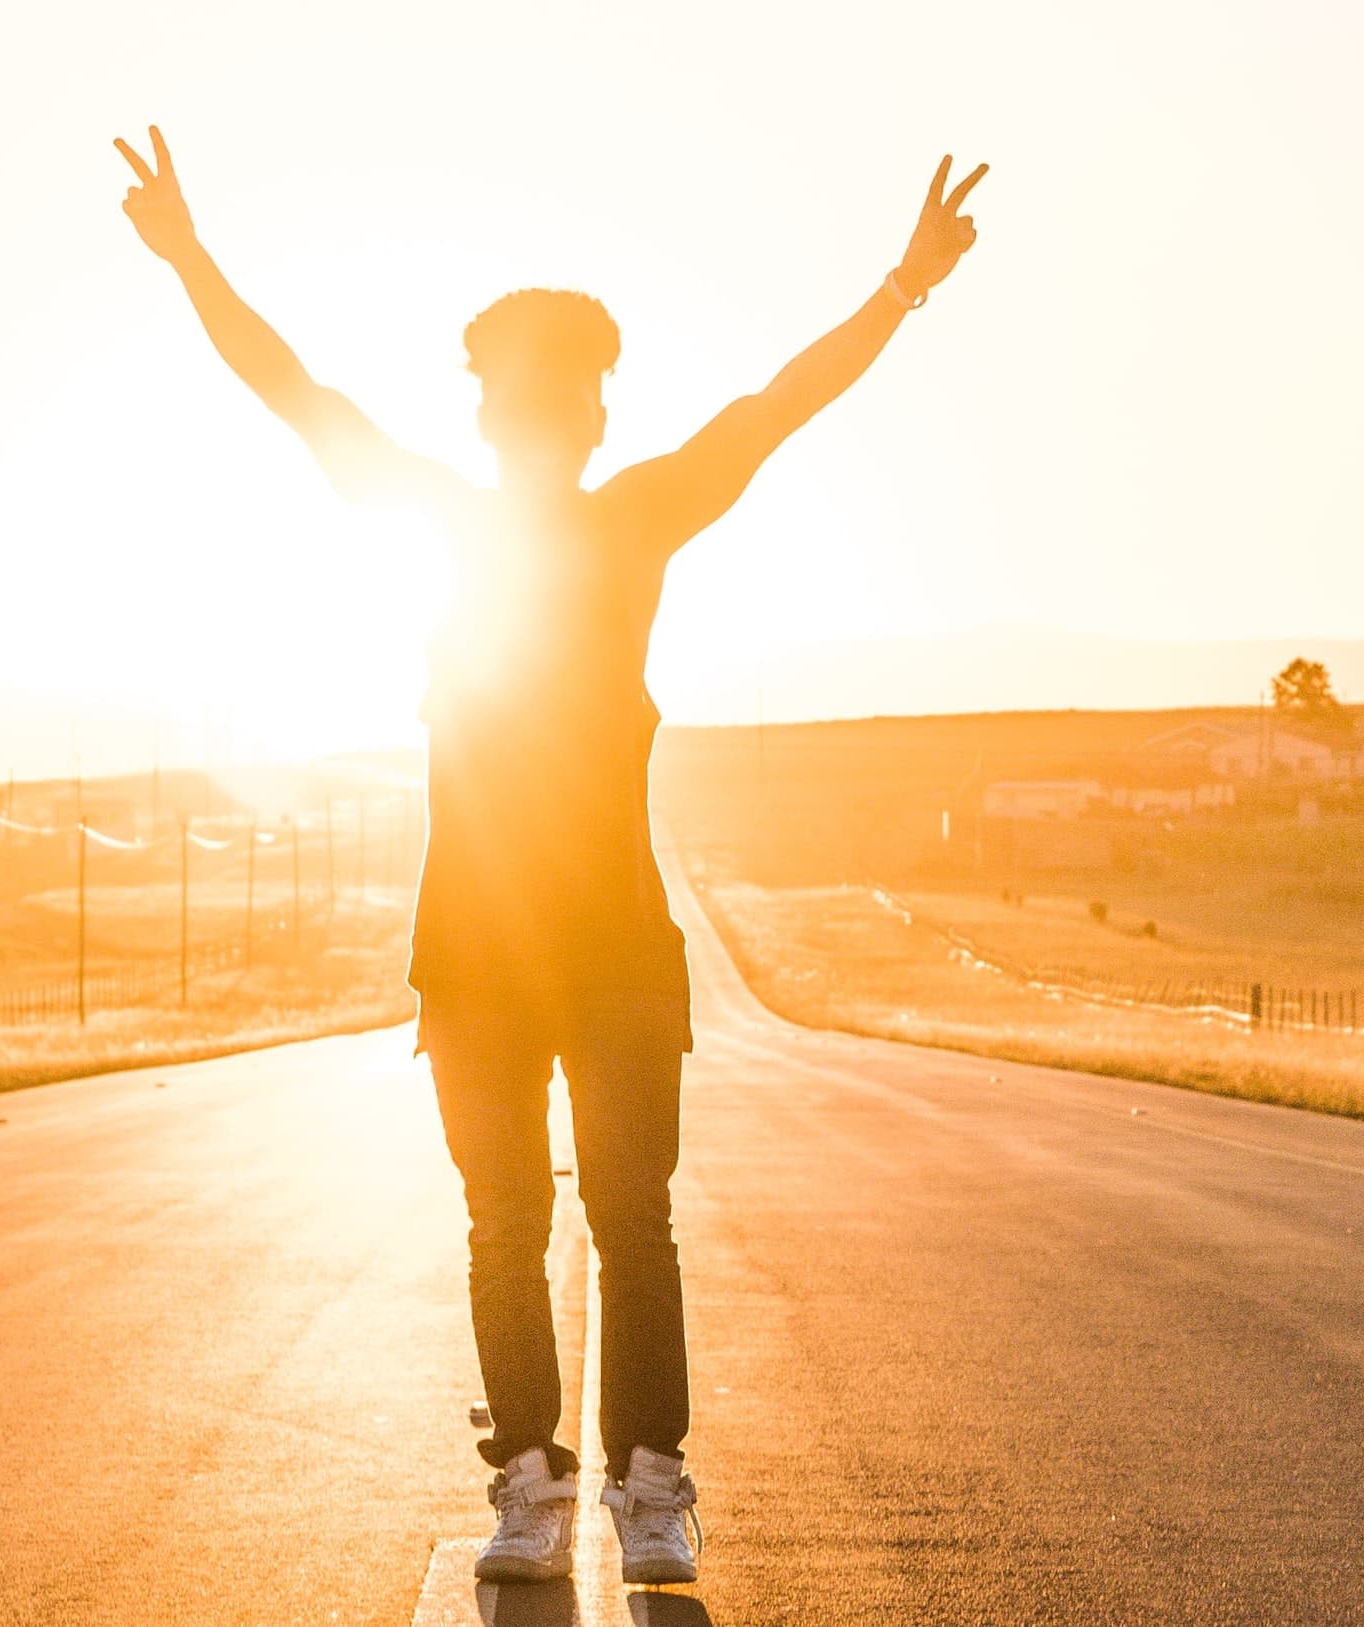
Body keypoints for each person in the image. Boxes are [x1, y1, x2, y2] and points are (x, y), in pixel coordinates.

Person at [113, 124, 985, 1585]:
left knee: (609, 1225)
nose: (541, 411)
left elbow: (777, 407)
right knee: (518, 1225)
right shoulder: (479, 523)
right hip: (475, 951)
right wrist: (191, 258)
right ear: (515, 414)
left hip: (609, 953)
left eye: (557, 388)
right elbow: (293, 392)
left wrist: (902, 286)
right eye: (522, 388)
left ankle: (646, 1490)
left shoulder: (622, 518)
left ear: (586, 412)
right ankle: (535, 1483)